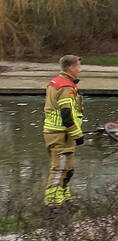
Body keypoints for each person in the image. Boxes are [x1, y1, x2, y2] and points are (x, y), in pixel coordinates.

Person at [42, 55, 85, 206]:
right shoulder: (66, 87)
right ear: (71, 68)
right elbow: (66, 114)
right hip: (60, 134)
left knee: (68, 169)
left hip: (57, 132)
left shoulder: (56, 82)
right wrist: (77, 135)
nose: (80, 69)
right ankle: (53, 204)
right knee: (60, 169)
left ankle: (65, 199)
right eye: (78, 66)